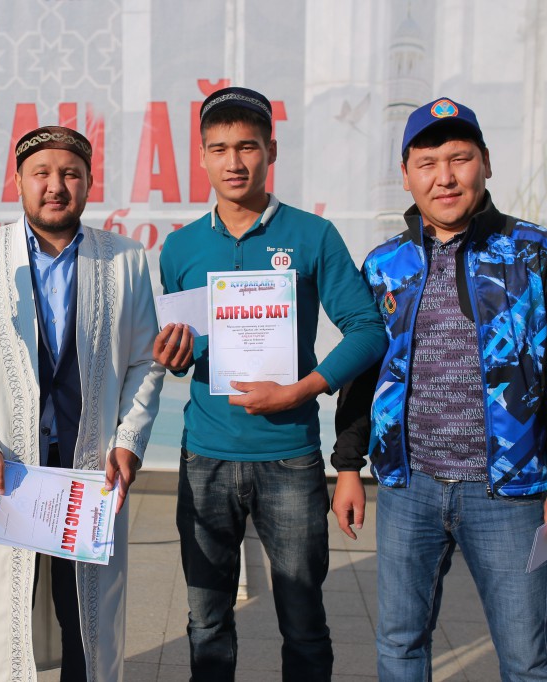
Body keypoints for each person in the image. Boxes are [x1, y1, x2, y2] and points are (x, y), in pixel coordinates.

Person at [331, 97, 547, 681]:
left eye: (460, 159)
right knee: (399, 644)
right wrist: (349, 464)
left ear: (486, 163)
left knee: (528, 656)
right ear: (406, 175)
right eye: (427, 163)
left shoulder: (535, 253)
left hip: (510, 493)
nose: (445, 177)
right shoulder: (384, 265)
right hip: (408, 488)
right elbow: (364, 369)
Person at [155, 86, 386, 681]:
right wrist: (173, 356)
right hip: (205, 457)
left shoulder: (313, 236)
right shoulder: (179, 247)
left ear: (271, 151)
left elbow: (368, 331)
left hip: (289, 457)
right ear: (202, 157)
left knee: (303, 624)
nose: (234, 162)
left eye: (248, 147)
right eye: (219, 149)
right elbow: (185, 350)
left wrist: (302, 389)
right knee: (206, 621)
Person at [0, 125, 165, 682]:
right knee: (2, 617)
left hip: (91, 472)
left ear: (89, 183)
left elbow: (145, 360)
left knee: (87, 621)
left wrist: (129, 441)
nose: (56, 186)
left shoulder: (123, 259)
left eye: (70, 174)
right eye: (41, 173)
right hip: (8, 470)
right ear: (18, 181)